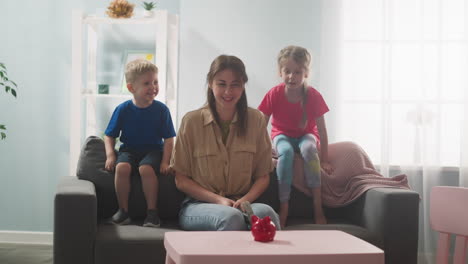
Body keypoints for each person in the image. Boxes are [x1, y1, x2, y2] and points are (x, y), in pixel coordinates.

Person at [170, 55, 280, 231]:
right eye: (221, 84)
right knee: (232, 218)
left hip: (242, 202)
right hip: (199, 205)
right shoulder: (191, 122)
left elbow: (263, 176)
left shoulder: (256, 120)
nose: (228, 92)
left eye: (235, 84)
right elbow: (181, 179)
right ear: (210, 84)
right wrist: (219, 200)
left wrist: (246, 199)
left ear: (243, 86)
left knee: (268, 214)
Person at [258, 45, 332, 228]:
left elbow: (322, 131)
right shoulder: (274, 94)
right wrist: (263, 153)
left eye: (298, 72)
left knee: (308, 149)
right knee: (286, 152)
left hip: (307, 135)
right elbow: (260, 127)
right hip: (281, 135)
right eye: (287, 71)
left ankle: (317, 205)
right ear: (280, 72)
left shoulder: (313, 96)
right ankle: (284, 207)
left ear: (306, 73)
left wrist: (325, 160)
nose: (292, 76)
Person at [104, 59, 176, 228]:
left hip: (153, 151)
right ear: (131, 88)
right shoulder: (122, 109)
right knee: (122, 168)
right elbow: (109, 136)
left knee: (145, 169)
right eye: (147, 83)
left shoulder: (161, 110)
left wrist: (166, 161)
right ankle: (123, 211)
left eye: (155, 82)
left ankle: (152, 213)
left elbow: (169, 139)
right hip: (128, 150)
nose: (153, 87)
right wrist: (110, 155)